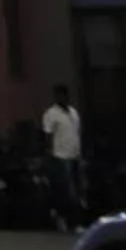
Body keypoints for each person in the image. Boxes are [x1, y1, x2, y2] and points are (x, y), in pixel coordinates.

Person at [42, 82, 85, 229]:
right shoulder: (51, 114)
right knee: (69, 192)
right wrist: (50, 154)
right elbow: (47, 135)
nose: (61, 98)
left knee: (79, 191)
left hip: (75, 156)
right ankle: (73, 222)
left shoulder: (73, 113)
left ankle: (67, 218)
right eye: (58, 95)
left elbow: (77, 133)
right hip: (61, 157)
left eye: (63, 95)